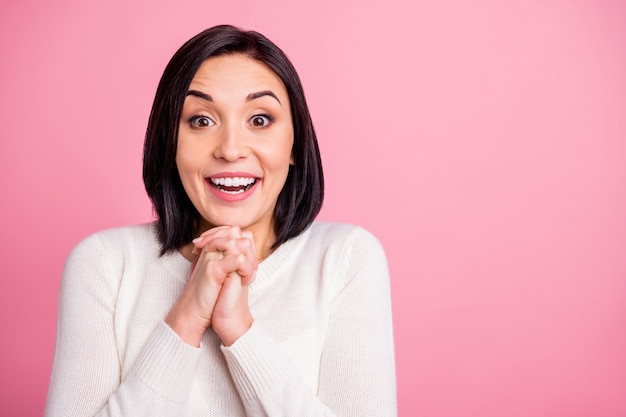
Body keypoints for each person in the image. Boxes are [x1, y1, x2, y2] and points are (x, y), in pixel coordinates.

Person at [45, 24, 397, 417]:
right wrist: (187, 318)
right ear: (170, 143)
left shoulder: (346, 259)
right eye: (201, 121)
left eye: (260, 120)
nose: (230, 150)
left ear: (295, 144)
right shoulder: (104, 264)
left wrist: (240, 330)